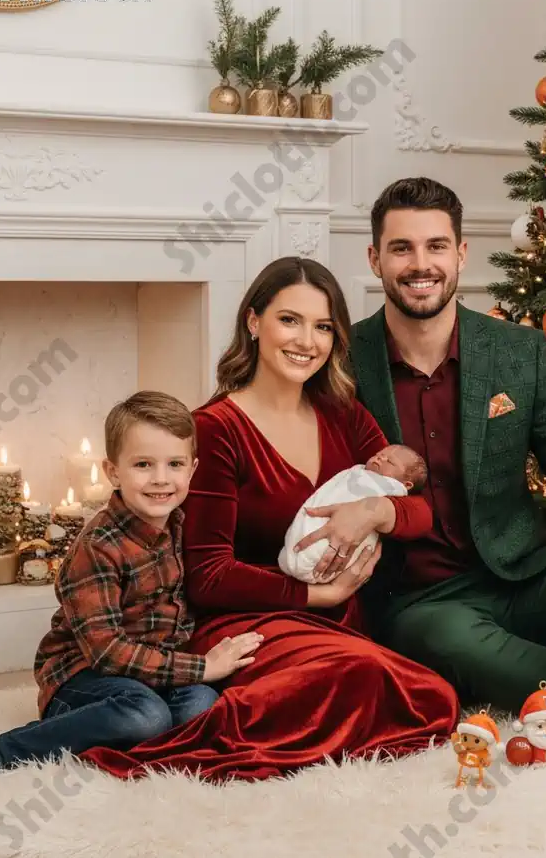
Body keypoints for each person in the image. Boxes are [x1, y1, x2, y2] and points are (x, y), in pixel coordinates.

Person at [80, 258, 459, 781]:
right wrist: (316, 595)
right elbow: (208, 576)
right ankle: (188, 733)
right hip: (244, 622)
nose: (307, 340)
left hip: (340, 619)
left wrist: (375, 509)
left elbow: (421, 514)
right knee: (372, 680)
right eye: (290, 320)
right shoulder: (214, 430)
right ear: (254, 323)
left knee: (431, 698)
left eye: (323, 326)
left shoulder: (343, 413)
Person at [349, 177, 546, 718]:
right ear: (375, 259)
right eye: (401, 248)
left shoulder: (518, 351)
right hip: (420, 604)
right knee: (460, 642)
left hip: (524, 577)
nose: (419, 264)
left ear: (461, 255)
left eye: (436, 246)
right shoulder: (343, 361)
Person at [0, 392, 258, 779]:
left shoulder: (182, 523)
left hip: (157, 671)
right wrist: (202, 666)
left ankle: (134, 750)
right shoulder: (97, 547)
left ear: (192, 469)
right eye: (143, 464)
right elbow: (107, 652)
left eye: (174, 464)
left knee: (202, 707)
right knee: (146, 715)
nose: (161, 479)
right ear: (113, 472)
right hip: (84, 675)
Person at [279, 443, 427, 582]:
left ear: (407, 485)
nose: (381, 457)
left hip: (335, 561)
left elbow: (422, 514)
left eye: (390, 462)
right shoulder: (356, 472)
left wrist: (376, 510)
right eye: (379, 454)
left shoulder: (393, 488)